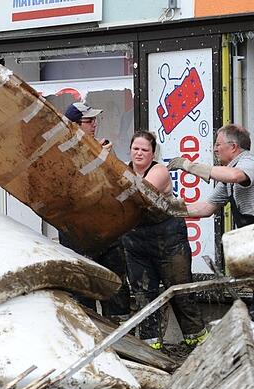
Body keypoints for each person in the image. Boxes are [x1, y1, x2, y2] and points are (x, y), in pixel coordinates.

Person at [169, 124, 254, 320]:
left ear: (233, 147)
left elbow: (236, 176)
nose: (215, 149)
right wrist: (169, 209)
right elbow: (205, 209)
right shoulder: (227, 177)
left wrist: (189, 166)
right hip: (252, 235)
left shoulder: (250, 162)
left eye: (218, 144)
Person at [121, 131, 207, 348]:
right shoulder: (123, 168)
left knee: (179, 291)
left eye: (144, 150)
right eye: (136, 149)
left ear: (152, 154)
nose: (139, 153)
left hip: (168, 238)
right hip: (135, 239)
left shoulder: (159, 171)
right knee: (143, 293)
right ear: (130, 150)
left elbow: (138, 195)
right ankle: (152, 345)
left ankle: (197, 340)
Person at [58, 102, 129, 319]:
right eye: (89, 121)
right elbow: (71, 189)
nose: (94, 125)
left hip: (107, 227)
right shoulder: (60, 152)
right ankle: (89, 335)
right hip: (77, 231)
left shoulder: (103, 146)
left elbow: (117, 181)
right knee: (83, 289)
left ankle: (122, 337)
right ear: (75, 125)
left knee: (115, 286)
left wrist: (105, 158)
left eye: (94, 120)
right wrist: (96, 159)